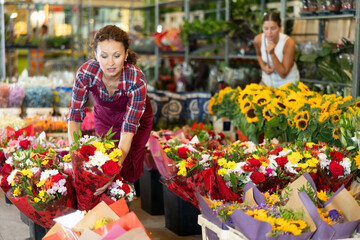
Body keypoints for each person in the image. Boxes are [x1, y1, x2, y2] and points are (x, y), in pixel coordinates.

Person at [67, 25, 153, 196]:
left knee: (127, 161)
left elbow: (128, 130)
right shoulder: (86, 73)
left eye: (117, 55)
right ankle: (105, 203)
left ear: (126, 54)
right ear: (96, 55)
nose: (110, 63)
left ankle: (124, 199)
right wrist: (75, 158)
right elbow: (75, 116)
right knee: (103, 154)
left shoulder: (136, 79)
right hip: (105, 116)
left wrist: (113, 172)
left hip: (135, 119)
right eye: (104, 56)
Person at [254, 12, 299, 88]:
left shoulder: (288, 43)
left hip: (287, 81)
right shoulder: (258, 40)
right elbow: (259, 55)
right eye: (266, 28)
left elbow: (283, 74)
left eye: (273, 28)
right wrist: (263, 67)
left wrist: (272, 54)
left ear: (280, 27)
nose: (269, 32)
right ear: (262, 28)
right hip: (268, 79)